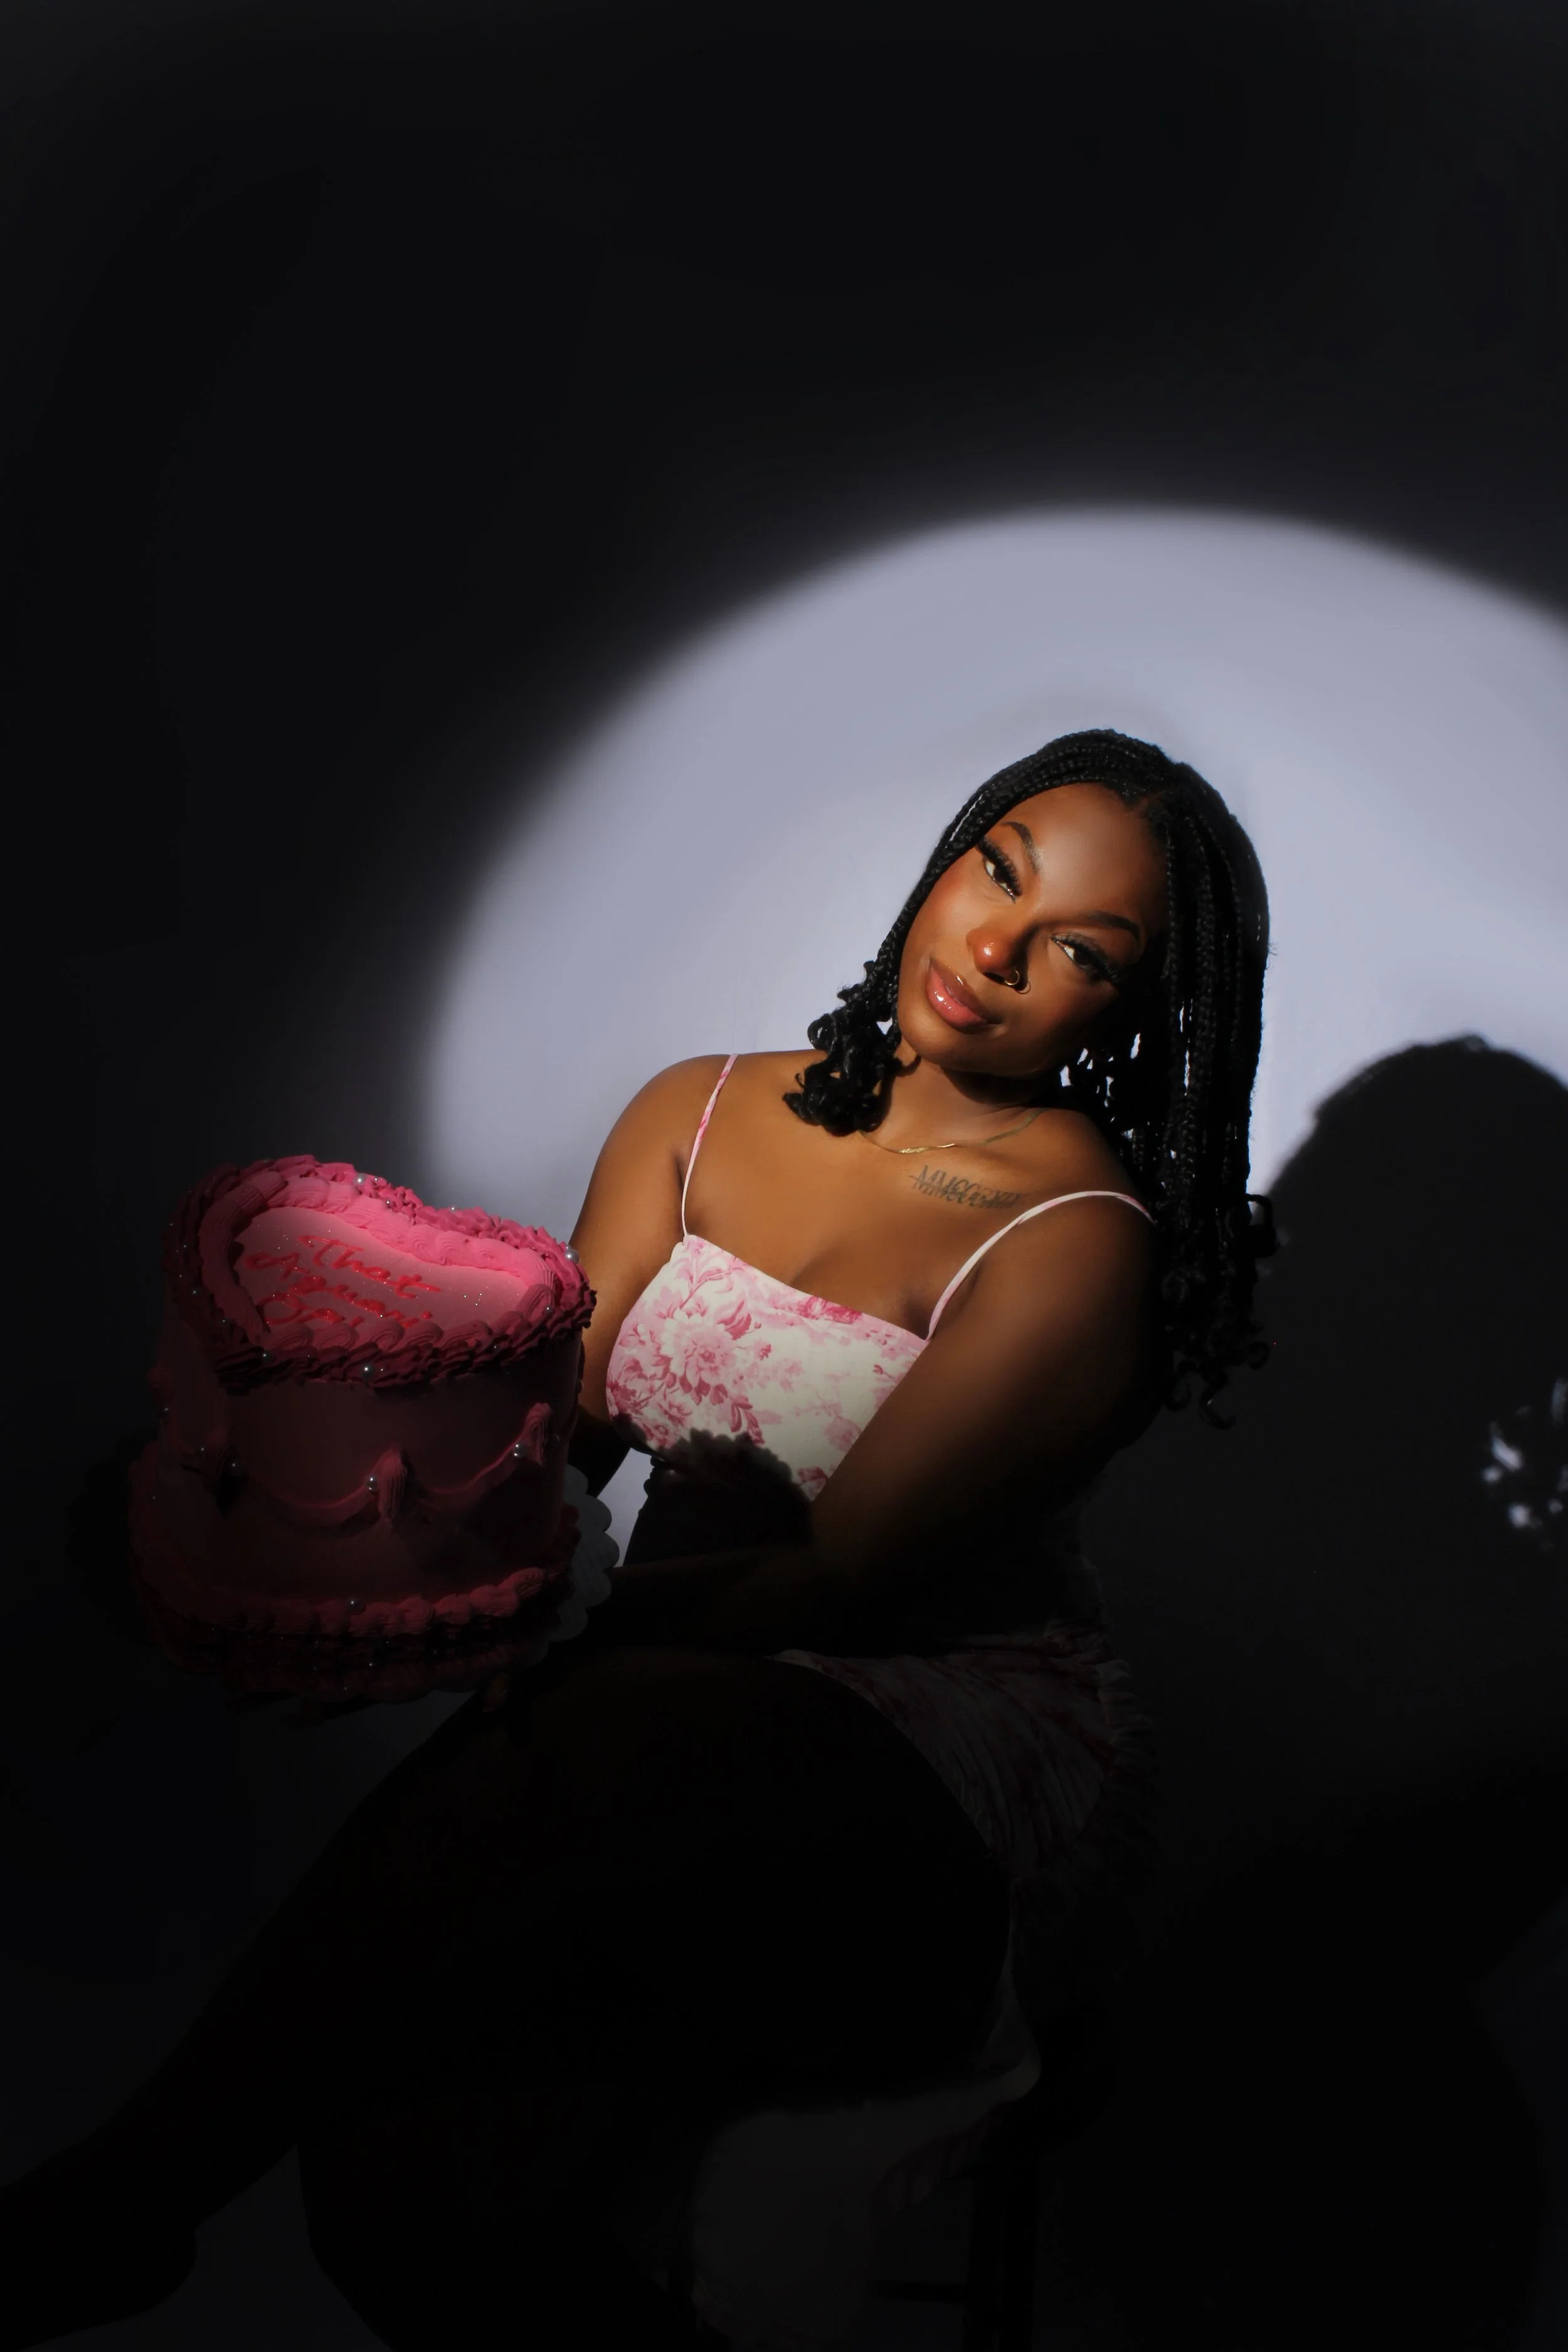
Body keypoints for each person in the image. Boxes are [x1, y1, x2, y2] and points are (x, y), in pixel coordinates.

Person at [1, 726, 1270, 2350]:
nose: (996, 948)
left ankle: (116, 2200)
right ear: (950, 855)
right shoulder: (698, 1107)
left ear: (1130, 1009)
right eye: (995, 870)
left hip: (933, 1776)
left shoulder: (1075, 1242)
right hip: (647, 1738)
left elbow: (841, 1580)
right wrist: (309, 1575)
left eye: (1079, 949)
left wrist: (513, 1655)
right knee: (398, 2197)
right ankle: (135, 2200)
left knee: (578, 1735)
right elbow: (549, 1448)